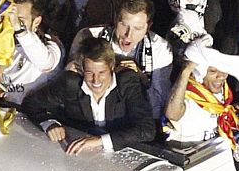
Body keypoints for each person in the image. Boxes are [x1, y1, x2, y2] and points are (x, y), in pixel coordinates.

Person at [22, 37, 156, 155]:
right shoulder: (70, 84)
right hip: (77, 155)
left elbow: (147, 130)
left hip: (119, 155)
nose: (96, 80)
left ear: (111, 67)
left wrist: (99, 141)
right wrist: (49, 123)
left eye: (102, 72)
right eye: (89, 73)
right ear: (81, 69)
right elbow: (31, 104)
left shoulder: (127, 83)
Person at [70, 0, 173, 121]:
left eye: (138, 28)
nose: (128, 35)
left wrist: (142, 80)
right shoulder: (88, 36)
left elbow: (159, 105)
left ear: (148, 27)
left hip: (135, 122)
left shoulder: (160, 49)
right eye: (124, 25)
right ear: (115, 19)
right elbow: (70, 87)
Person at [0, 0, 64, 105]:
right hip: (2, 109)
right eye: (8, 18)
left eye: (20, 20)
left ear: (36, 22)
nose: (11, 24)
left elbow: (46, 63)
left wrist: (20, 29)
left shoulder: (50, 44)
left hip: (34, 113)